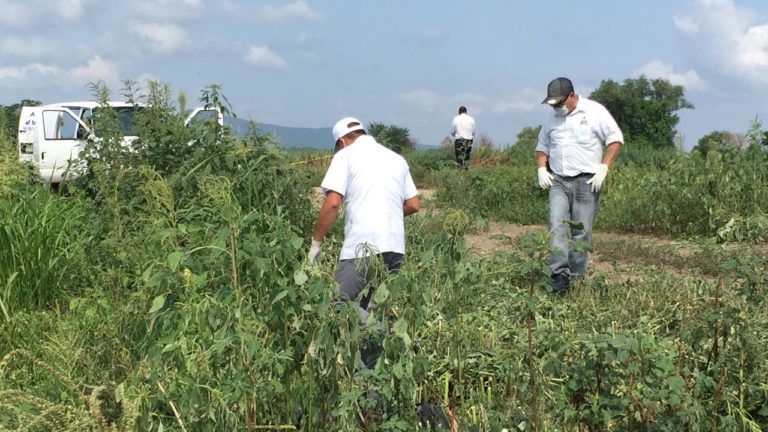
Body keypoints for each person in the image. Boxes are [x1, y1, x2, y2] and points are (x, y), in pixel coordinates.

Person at [307, 116, 420, 367]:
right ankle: (370, 389)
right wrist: (385, 213)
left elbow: (332, 202)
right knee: (370, 312)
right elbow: (413, 204)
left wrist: (315, 244)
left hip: (362, 248)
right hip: (395, 250)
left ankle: (396, 339)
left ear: (341, 141)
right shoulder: (396, 158)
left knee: (338, 306)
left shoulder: (345, 157)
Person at [535, 77, 623, 293]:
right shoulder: (551, 118)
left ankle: (576, 277)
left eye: (560, 103)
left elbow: (615, 140)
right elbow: (542, 146)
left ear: (572, 96)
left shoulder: (594, 112)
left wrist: (604, 168)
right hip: (558, 181)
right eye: (553, 104)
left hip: (586, 181)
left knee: (581, 232)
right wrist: (541, 168)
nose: (556, 108)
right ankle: (559, 276)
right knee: (556, 228)